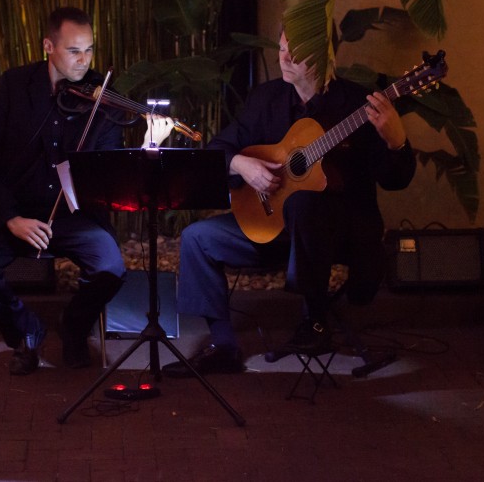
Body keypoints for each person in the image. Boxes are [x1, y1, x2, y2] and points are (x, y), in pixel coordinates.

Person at [164, 31, 416, 377]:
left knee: (304, 204)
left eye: (293, 53)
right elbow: (217, 150)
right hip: (277, 228)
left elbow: (395, 179)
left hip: (339, 234)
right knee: (197, 238)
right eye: (281, 50)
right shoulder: (266, 98)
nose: (283, 58)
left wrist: (397, 142)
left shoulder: (358, 104)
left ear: (322, 56)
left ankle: (314, 321)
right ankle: (223, 346)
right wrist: (242, 164)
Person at [0, 7, 171, 375]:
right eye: (74, 51)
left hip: (73, 216)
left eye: (89, 51)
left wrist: (150, 143)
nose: (83, 61)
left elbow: (108, 173)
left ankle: (73, 326)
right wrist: (10, 218)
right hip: (15, 212)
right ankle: (25, 331)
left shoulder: (102, 100)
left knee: (110, 268)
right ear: (47, 47)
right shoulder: (14, 87)